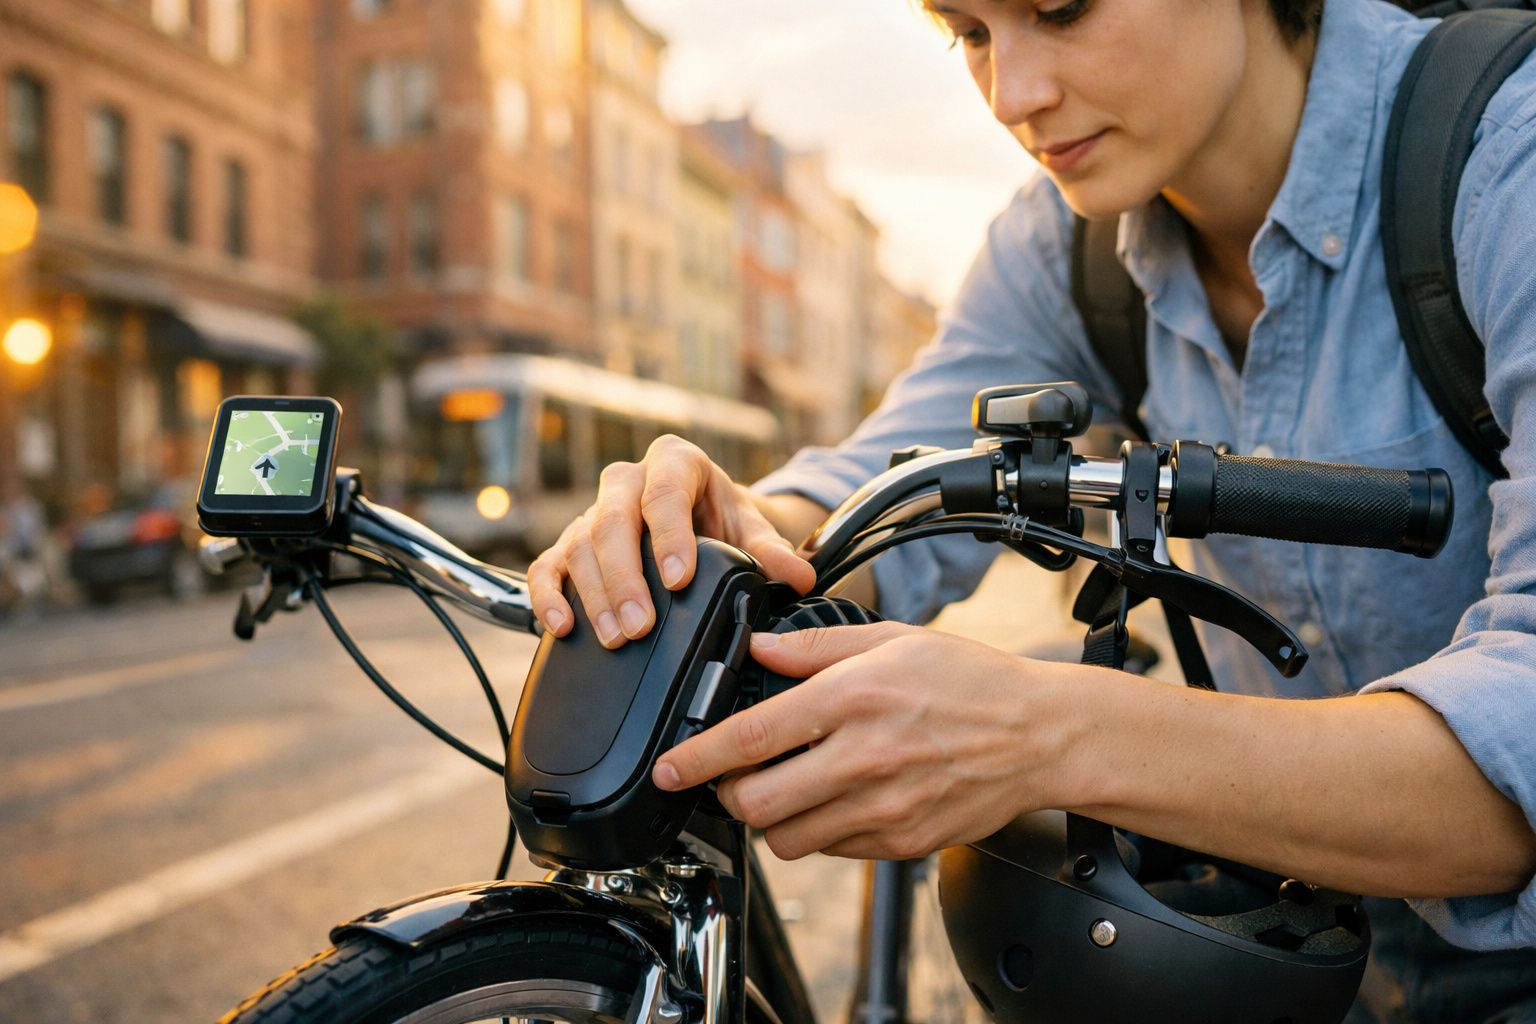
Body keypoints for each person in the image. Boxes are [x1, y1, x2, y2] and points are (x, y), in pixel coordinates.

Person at [528, 0, 1536, 1018]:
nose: (1014, 95)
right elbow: (890, 474)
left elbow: (1522, 757)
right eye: (968, 32)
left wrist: (1052, 733)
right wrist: (727, 527)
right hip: (1289, 926)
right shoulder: (1066, 246)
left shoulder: (1509, 156)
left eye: (1061, 9)